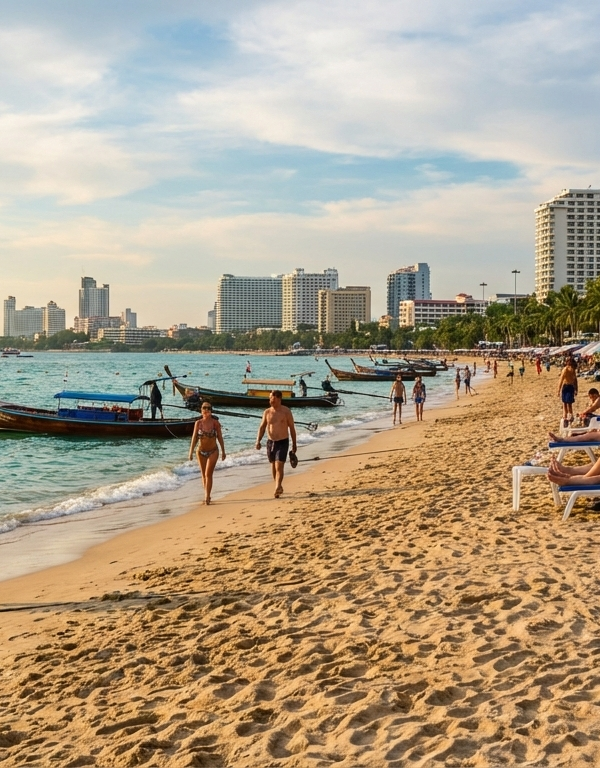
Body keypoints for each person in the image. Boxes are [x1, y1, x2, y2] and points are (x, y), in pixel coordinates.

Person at [256, 390, 297, 498]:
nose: (270, 401)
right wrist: (258, 441)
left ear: (278, 399)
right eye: (270, 398)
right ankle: (278, 486)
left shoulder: (286, 412)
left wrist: (294, 444)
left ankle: (277, 486)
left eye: (272, 398)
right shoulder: (267, 412)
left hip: (283, 441)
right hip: (270, 442)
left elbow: (292, 428)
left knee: (279, 466)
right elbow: (262, 427)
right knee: (273, 466)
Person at [188, 401, 226, 505]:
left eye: (208, 408)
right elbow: (194, 438)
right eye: (204, 408)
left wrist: (223, 451)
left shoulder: (215, 423)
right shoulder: (198, 423)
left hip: (213, 451)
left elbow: (220, 437)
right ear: (201, 410)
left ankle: (207, 496)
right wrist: (190, 452)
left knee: (208, 474)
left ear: (211, 410)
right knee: (203, 475)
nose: (206, 410)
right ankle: (207, 493)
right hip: (200, 452)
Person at [558, 358, 578, 427]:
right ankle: (566, 416)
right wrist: (558, 389)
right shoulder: (566, 370)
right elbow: (561, 380)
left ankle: (569, 417)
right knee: (565, 403)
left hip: (569, 387)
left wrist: (576, 389)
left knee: (568, 403)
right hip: (567, 387)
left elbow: (575, 380)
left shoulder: (571, 370)